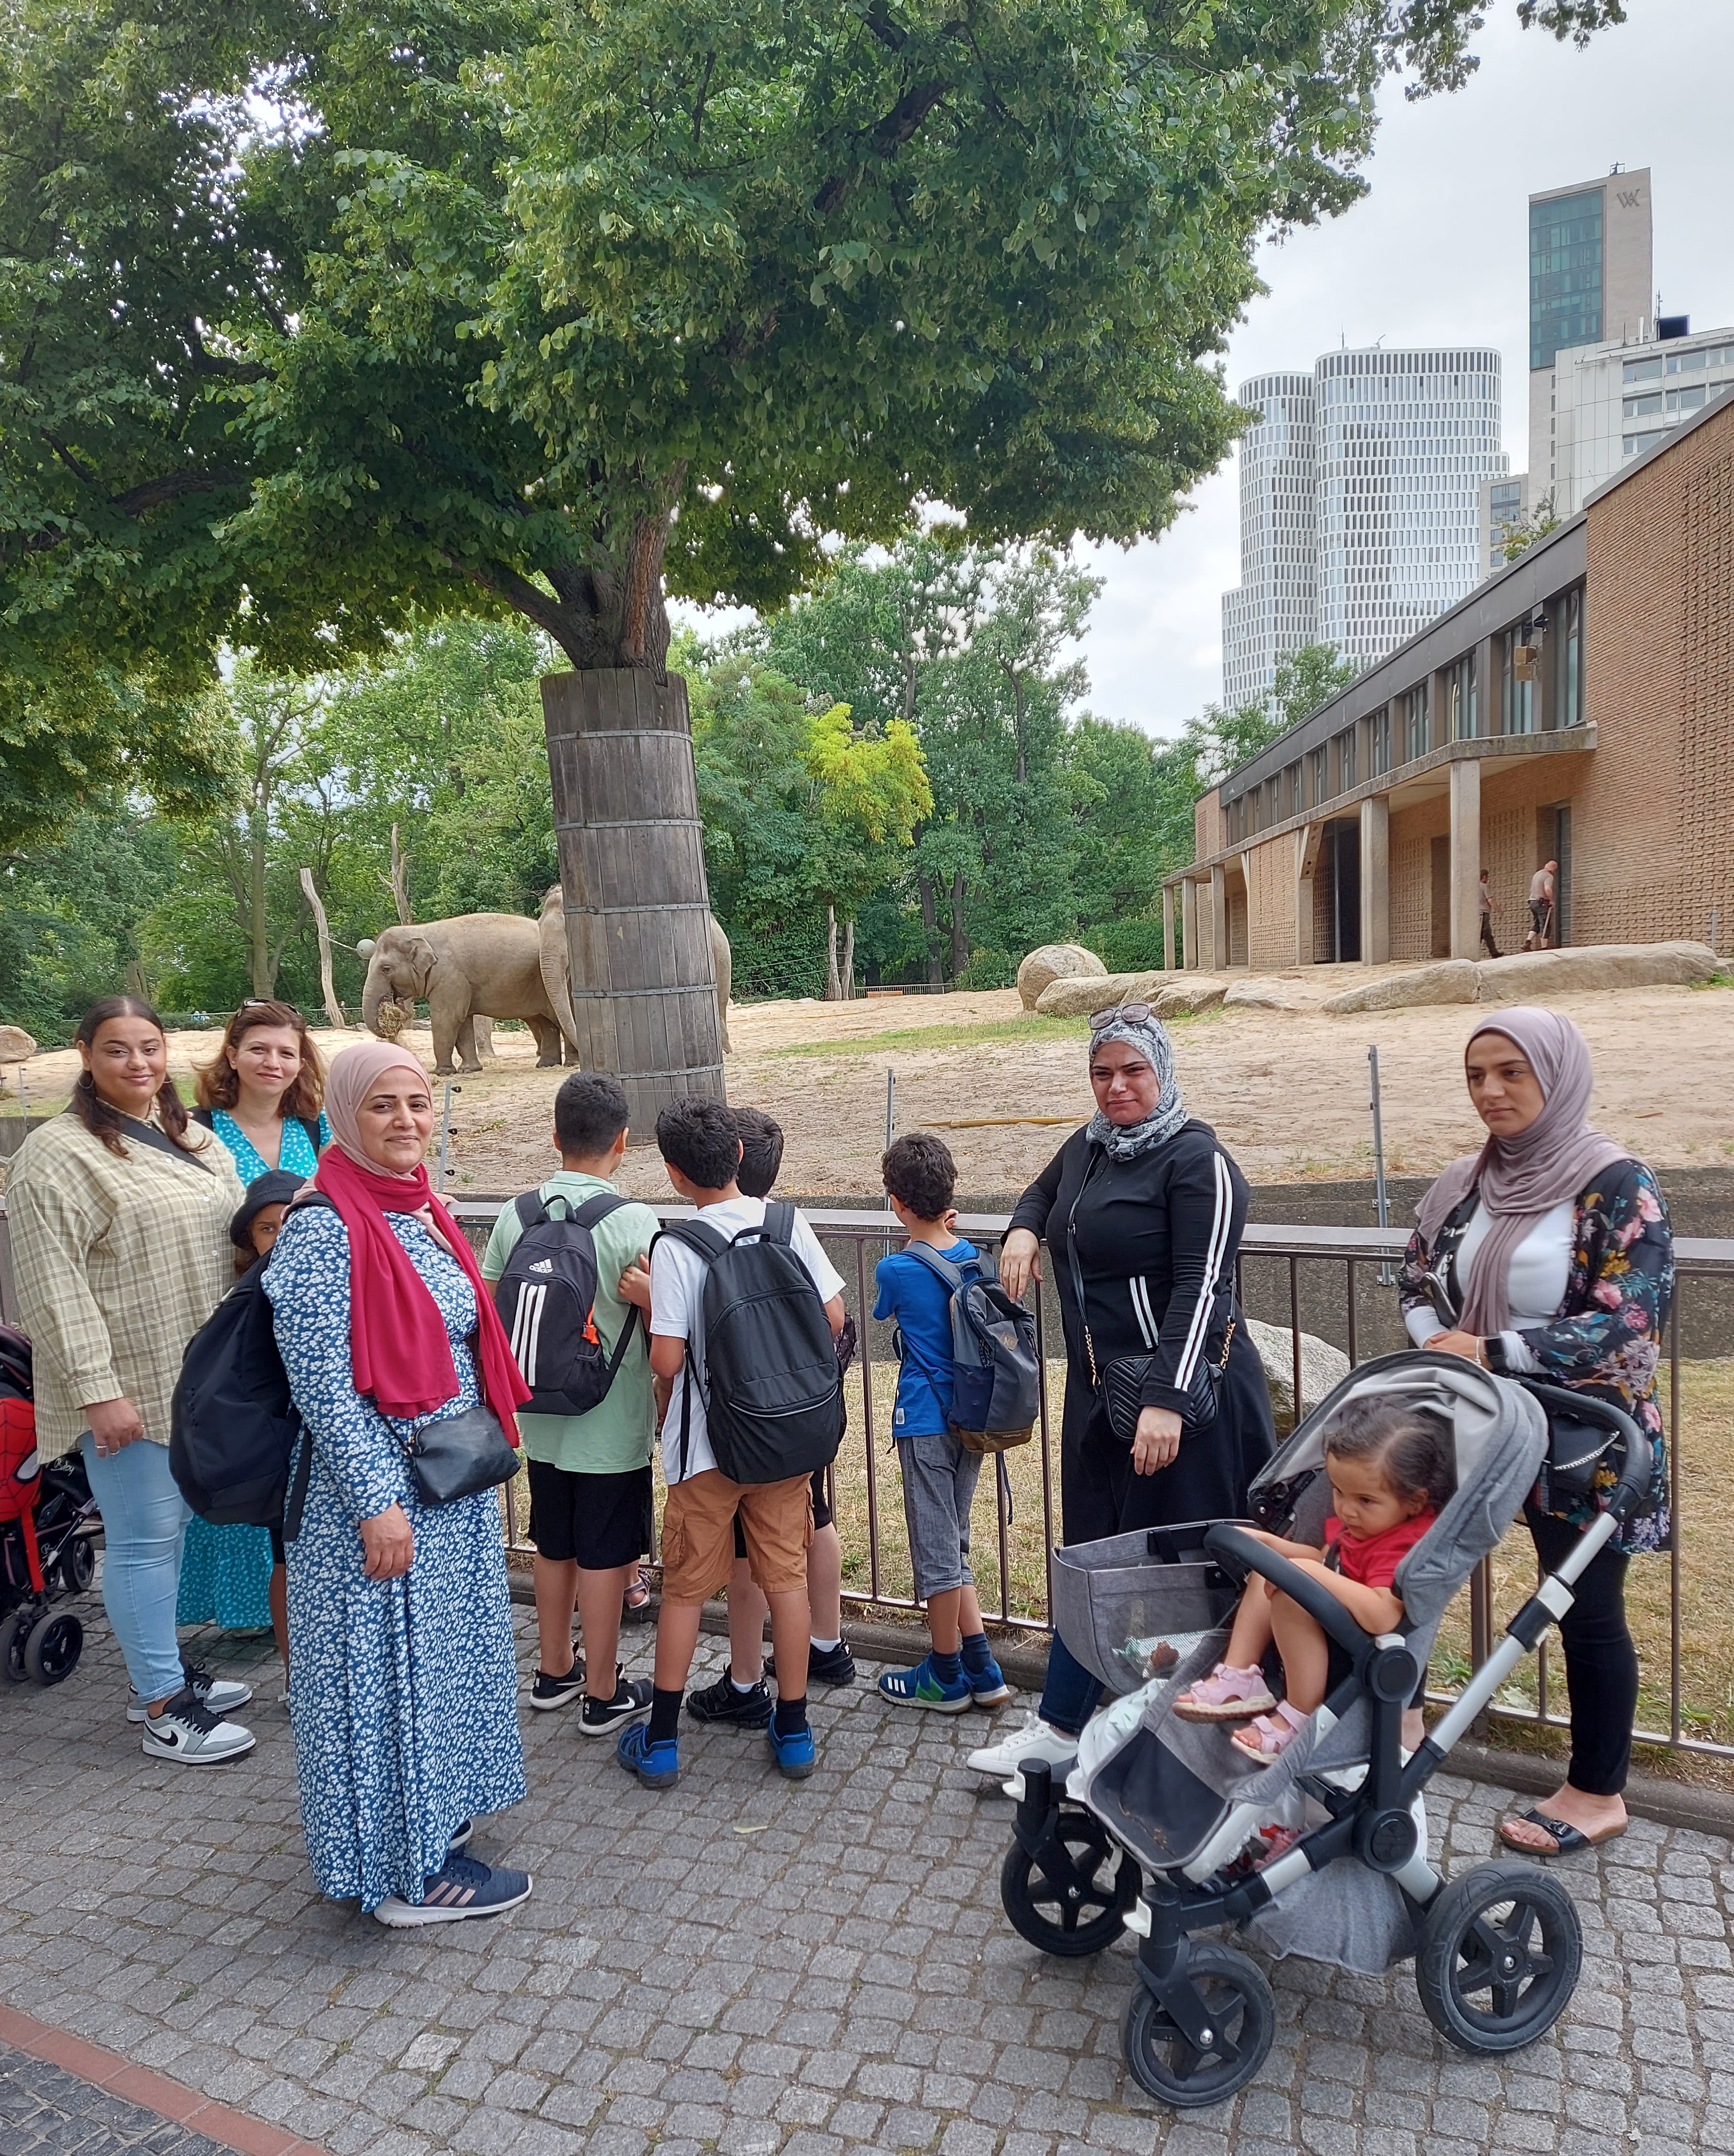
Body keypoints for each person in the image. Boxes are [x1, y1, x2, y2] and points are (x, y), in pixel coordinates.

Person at [965, 1003, 1274, 1779]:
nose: (1116, 1087)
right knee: (1095, 1561)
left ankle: (1185, 1736)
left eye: (1132, 1070)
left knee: (1178, 1569)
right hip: (1105, 1397)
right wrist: (1023, 1231)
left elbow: (1203, 1287)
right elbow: (1042, 1192)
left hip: (1185, 1402)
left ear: (1162, 1071)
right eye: (1102, 1073)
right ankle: (1065, 1730)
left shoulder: (1196, 1159)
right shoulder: (1092, 1148)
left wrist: (1168, 1398)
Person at [264, 1040, 533, 1924]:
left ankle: (427, 1828)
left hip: (442, 1488)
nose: (406, 1121)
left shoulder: (414, 1211)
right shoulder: (321, 1228)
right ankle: (404, 1878)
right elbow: (324, 1387)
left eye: (417, 1102)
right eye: (382, 1105)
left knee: (432, 1668)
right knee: (388, 1677)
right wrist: (378, 1501)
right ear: (343, 1114)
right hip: (375, 1505)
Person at [1401, 1009, 1672, 1859]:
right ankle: (1397, 1721)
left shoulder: (1614, 1184)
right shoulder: (1461, 1182)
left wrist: (1491, 1348)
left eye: (1510, 1072)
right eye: (1476, 1073)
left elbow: (1629, 1322)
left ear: (1555, 1075)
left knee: (1583, 1608)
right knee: (1403, 1568)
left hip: (1582, 1437)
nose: (1489, 1090)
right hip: (1466, 1415)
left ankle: (1595, 1790)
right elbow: (1413, 1274)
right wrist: (1437, 1346)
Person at [7, 998, 255, 1761]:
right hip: (126, 1385)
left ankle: (164, 1669)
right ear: (85, 1053)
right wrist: (96, 1391)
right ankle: (162, 1707)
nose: (138, 1064)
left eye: (149, 1047)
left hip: (197, 1378)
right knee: (143, 1543)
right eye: (118, 1050)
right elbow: (52, 1286)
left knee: (169, 1534)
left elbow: (240, 1230)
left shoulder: (194, 1139)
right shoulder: (57, 1153)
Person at [616, 1097, 846, 1789]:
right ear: (741, 1157)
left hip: (706, 1451)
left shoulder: (677, 1246)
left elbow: (666, 1362)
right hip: (784, 1444)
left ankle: (660, 1741)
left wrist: (657, 1302)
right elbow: (833, 1316)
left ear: (674, 1175)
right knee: (785, 1579)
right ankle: (796, 1728)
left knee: (686, 1588)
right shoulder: (786, 1221)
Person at [479, 1072, 660, 1734]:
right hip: (609, 1421)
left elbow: (492, 1310)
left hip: (540, 1416)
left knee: (552, 1544)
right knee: (608, 1553)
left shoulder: (516, 1213)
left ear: (554, 1137)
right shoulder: (634, 1221)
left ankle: (554, 1669)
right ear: (624, 1141)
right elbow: (662, 1317)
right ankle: (604, 1692)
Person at [686, 1106, 856, 1729]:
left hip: (743, 1425)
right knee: (816, 1514)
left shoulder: (704, 1240)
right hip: (803, 1413)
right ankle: (826, 1645)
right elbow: (835, 1313)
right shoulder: (786, 1226)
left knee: (750, 1553)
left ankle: (746, 1677)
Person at [1174, 1393, 1454, 1762]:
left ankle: (1298, 1716)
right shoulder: (1366, 1526)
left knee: (1294, 1589)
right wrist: (1271, 1545)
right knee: (1270, 1567)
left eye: (1364, 1500)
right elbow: (1327, 1560)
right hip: (1323, 1634)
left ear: (1414, 1502)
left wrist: (1306, 1575)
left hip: (1356, 1652)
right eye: (1338, 1492)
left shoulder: (1404, 1544)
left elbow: (1384, 1614)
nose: (1346, 1509)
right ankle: (1241, 1675)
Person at [179, 1002, 331, 1661]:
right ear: (233, 1055)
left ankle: (295, 1602)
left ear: (302, 1064)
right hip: (231, 1312)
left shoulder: (314, 1127)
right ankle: (243, 1607)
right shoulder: (197, 1132)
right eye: (260, 1049)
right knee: (241, 1445)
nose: (274, 1062)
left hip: (298, 1318)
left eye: (287, 1053)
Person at [870, 1133, 1012, 1713]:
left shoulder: (895, 1268)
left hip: (923, 1417)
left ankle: (944, 1673)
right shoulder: (979, 1259)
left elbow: (885, 1313)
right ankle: (982, 1664)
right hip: (974, 1417)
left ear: (897, 1201)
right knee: (952, 1538)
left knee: (934, 1547)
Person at [1526, 861, 1557, 949]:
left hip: (1532, 902)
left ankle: (1528, 942)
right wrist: (1552, 900)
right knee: (1546, 925)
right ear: (1553, 867)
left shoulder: (1537, 874)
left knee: (1537, 924)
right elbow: (1548, 889)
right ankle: (1544, 947)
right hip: (1541, 903)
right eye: (1555, 869)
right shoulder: (1549, 876)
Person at [1478, 870, 1501, 959]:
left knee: (1487, 935)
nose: (1488, 879)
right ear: (1484, 877)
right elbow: (1491, 900)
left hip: (1476, 913)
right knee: (1484, 933)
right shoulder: (1485, 887)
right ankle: (1471, 952)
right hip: (1483, 913)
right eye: (1487, 877)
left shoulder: (1472, 887)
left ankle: (1494, 952)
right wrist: (1499, 911)